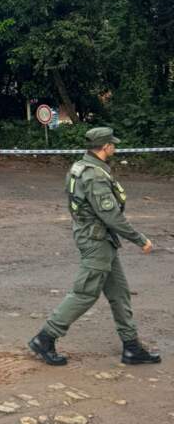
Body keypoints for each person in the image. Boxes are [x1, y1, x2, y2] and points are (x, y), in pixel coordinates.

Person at [29, 126, 160, 367]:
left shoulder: (80, 167)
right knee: (85, 293)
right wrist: (140, 239)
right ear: (105, 147)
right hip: (96, 241)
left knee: (119, 294)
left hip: (100, 239)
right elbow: (111, 216)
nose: (115, 147)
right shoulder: (94, 175)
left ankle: (131, 347)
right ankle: (45, 338)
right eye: (113, 144)